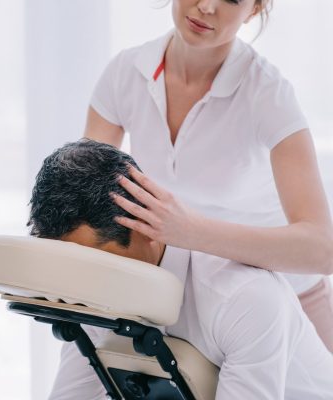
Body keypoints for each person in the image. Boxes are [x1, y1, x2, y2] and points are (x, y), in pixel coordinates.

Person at [84, 0, 333, 351]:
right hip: (180, 299)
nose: (207, 6)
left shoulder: (268, 93)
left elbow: (322, 250)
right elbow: (83, 196)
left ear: (254, 10)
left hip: (288, 301)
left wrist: (190, 231)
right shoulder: (126, 72)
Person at [27, 139, 333, 400]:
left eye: (95, 265)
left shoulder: (245, 297)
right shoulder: (92, 291)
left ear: (145, 227)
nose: (84, 287)